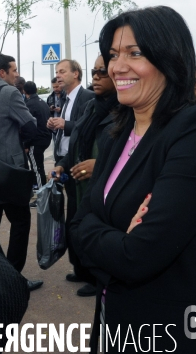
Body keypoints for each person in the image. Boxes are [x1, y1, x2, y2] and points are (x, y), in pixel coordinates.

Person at [70, 6, 196, 353]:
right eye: (114, 54)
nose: (118, 67)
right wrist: (112, 239)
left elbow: (139, 257)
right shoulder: (116, 137)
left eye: (135, 53)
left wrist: (97, 233)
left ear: (169, 58)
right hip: (112, 323)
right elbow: (75, 230)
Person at [0, 54, 43, 291]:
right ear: (2, 73)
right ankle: (12, 278)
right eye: (13, 70)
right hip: (9, 174)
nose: (17, 74)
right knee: (21, 222)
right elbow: (30, 126)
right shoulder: (9, 92)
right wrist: (23, 144)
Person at [52, 55, 118, 297]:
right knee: (76, 223)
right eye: (94, 72)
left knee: (96, 227)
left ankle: (96, 276)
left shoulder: (124, 109)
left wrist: (99, 166)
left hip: (101, 184)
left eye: (102, 72)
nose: (96, 77)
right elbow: (78, 141)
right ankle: (82, 269)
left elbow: (130, 154)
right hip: (78, 178)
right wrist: (61, 164)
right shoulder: (93, 106)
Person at [47, 59, 95, 288]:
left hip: (82, 166)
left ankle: (92, 274)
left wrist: (64, 124)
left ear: (76, 74)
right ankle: (80, 268)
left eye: (62, 71)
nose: (58, 75)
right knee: (74, 216)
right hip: (66, 162)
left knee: (84, 218)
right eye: (57, 72)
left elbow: (87, 128)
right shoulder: (63, 99)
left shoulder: (87, 98)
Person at [23, 81, 51, 190]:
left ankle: (41, 196)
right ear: (36, 90)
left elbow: (28, 126)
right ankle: (41, 190)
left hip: (36, 140)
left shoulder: (29, 105)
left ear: (25, 91)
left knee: (36, 168)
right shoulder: (43, 102)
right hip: (45, 137)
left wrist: (26, 144)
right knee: (39, 166)